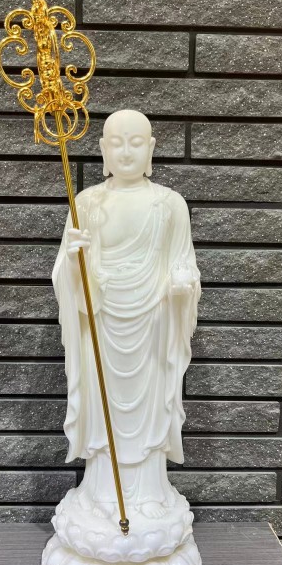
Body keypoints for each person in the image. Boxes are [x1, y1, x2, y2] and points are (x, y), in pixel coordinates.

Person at [51, 109, 201, 522]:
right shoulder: (86, 203)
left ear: (151, 149)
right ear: (103, 150)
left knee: (151, 411)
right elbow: (64, 275)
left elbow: (183, 264)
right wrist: (74, 261)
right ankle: (101, 492)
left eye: (136, 143)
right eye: (116, 143)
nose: (126, 151)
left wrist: (182, 286)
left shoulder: (170, 205)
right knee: (102, 409)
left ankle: (150, 491)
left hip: (154, 325)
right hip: (99, 322)